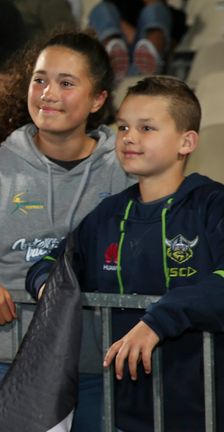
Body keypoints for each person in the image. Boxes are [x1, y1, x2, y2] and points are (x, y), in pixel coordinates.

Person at [0, 32, 133, 430]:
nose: (48, 94)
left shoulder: (125, 171)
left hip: (95, 363)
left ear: (97, 100)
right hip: (1, 358)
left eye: (66, 83)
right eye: (39, 80)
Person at [27, 76, 224, 432]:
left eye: (146, 128)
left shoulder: (213, 206)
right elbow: (50, 264)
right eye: (123, 127)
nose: (129, 137)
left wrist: (157, 321)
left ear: (186, 142)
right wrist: (50, 288)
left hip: (207, 412)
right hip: (125, 415)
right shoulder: (107, 215)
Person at [88, 0, 172, 81]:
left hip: (145, 65)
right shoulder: (117, 4)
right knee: (103, 9)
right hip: (119, 46)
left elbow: (172, 50)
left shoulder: (171, 14)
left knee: (157, 9)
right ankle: (112, 55)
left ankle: (149, 55)